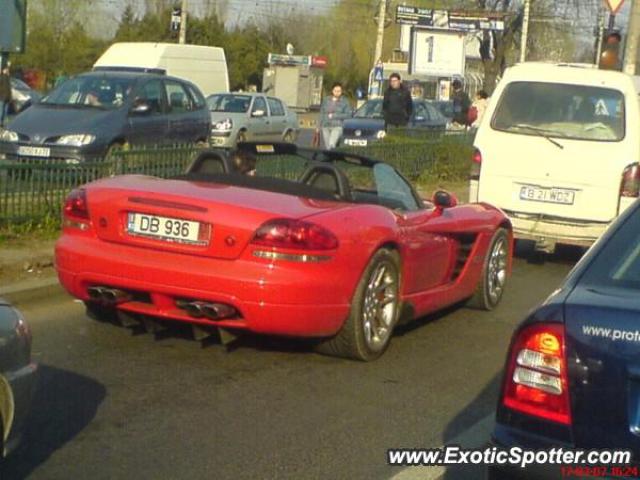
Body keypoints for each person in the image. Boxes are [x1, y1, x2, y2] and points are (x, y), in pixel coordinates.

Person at [317, 82, 352, 150]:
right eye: (335, 91)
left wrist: (335, 116)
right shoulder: (326, 100)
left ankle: (332, 157)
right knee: (328, 147)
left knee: (331, 144)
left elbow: (348, 114)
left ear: (341, 92)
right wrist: (318, 126)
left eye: (339, 91)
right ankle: (332, 159)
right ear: (332, 91)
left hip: (337, 126)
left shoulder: (345, 101)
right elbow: (322, 113)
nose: (337, 92)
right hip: (326, 125)